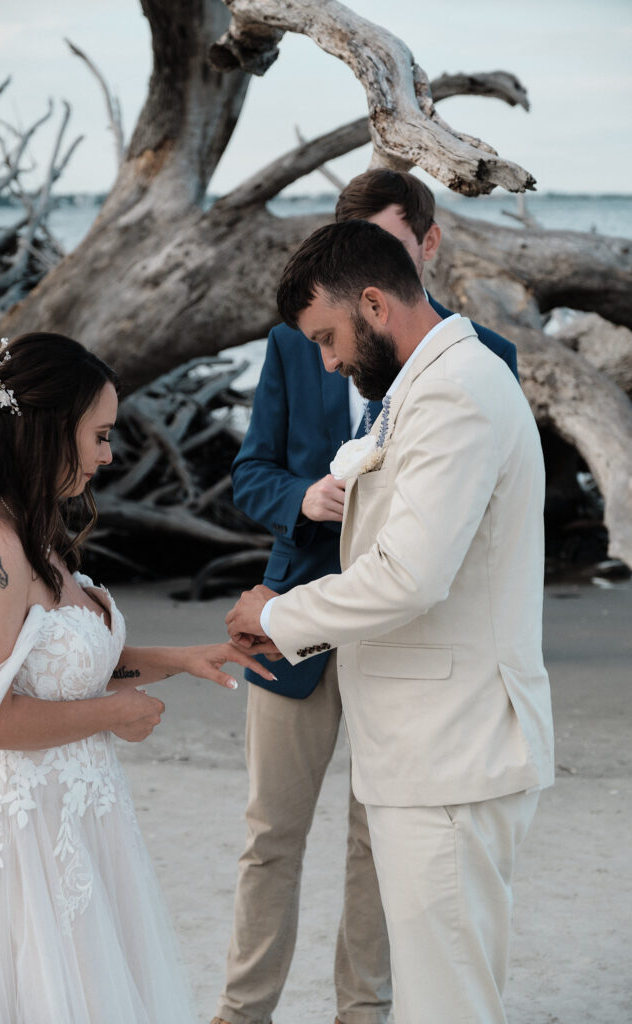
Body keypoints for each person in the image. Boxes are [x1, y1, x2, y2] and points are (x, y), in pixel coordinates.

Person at [226, 220, 554, 1024]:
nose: (328, 360)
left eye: (329, 338)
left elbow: (409, 576)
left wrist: (277, 612)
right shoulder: (430, 382)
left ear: (373, 303)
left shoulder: (454, 391)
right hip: (430, 749)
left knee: (448, 1004)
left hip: (450, 750)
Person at [0, 332, 273, 1024]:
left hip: (81, 812)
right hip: (27, 824)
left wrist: (178, 658)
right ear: (47, 430)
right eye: (98, 435)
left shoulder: (31, 532)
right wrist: (114, 714)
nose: (109, 453)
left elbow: (55, 665)